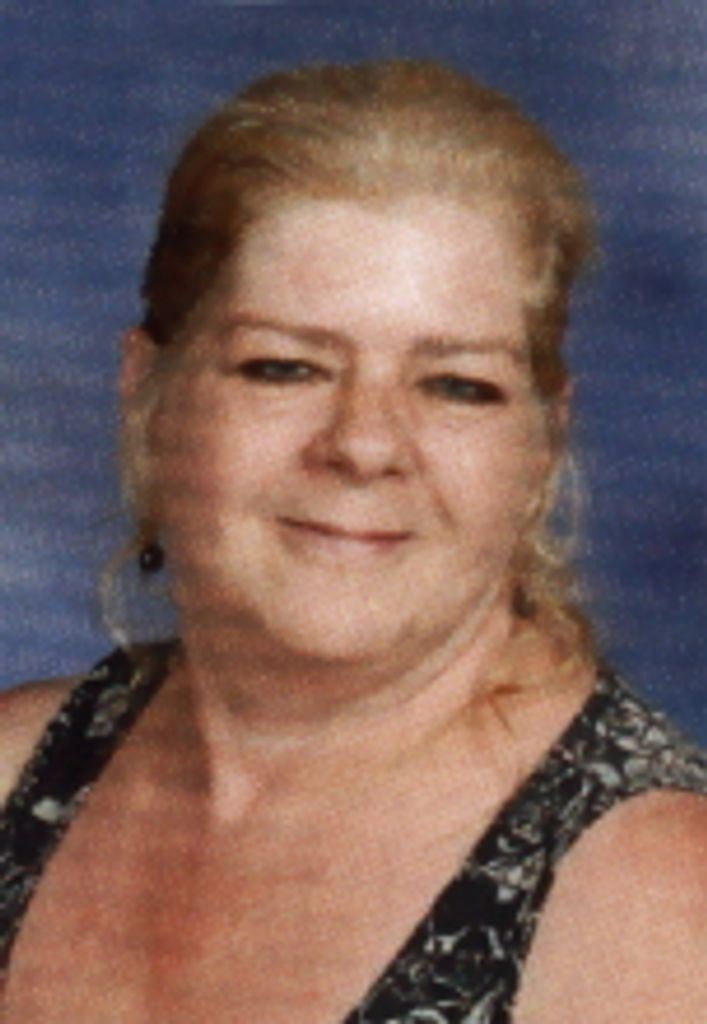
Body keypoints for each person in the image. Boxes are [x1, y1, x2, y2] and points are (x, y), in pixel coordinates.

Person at [1, 58, 706, 1024]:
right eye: (284, 367)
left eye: (457, 385)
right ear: (148, 395)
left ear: (541, 444)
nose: (364, 445)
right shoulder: (15, 772)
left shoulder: (654, 903)